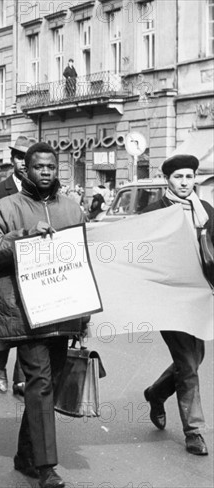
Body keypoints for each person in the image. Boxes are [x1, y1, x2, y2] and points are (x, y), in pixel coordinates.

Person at [0, 142, 86, 488]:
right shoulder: (3, 207)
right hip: (25, 314)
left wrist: (84, 317)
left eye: (51, 168)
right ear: (25, 170)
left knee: (47, 386)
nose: (45, 172)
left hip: (63, 312)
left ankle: (26, 455)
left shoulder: (73, 209)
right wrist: (23, 237)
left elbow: (82, 264)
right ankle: (46, 468)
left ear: (58, 170)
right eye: (38, 167)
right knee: (39, 382)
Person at [142, 154, 213, 457]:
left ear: (195, 178)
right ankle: (194, 431)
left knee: (196, 357)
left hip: (202, 295)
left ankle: (155, 393)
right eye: (178, 177)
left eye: (189, 177)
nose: (184, 183)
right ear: (166, 180)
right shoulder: (154, 212)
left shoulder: (206, 211)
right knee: (187, 362)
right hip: (168, 297)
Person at [0, 135, 32, 397]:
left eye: (28, 158)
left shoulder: (39, 191)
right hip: (4, 264)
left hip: (33, 266)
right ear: (12, 160)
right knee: (6, 320)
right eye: (20, 158)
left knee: (30, 323)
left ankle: (21, 378)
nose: (24, 163)